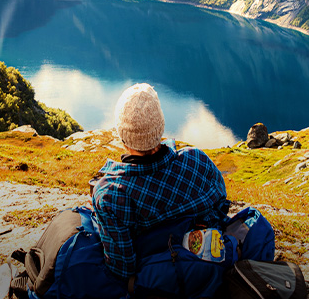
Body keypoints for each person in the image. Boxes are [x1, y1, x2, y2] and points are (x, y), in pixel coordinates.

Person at [91, 83, 230, 281]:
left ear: (122, 135)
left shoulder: (109, 194)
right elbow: (221, 204)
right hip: (208, 267)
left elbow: (122, 269)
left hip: (156, 284)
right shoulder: (197, 160)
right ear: (160, 126)